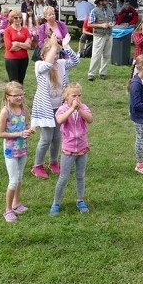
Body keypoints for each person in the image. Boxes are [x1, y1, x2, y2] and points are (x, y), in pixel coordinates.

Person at [30, 35, 79, 179]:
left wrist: (66, 46)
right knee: (46, 139)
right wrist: (52, 44)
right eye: (53, 53)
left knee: (57, 138)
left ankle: (53, 162)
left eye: (58, 53)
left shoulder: (62, 64)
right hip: (45, 108)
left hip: (59, 108)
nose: (56, 56)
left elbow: (76, 61)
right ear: (43, 54)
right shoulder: (39, 65)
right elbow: (48, 64)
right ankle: (37, 165)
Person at [50, 82, 93, 216]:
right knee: (63, 177)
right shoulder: (62, 109)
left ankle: (80, 200)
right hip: (68, 150)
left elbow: (90, 119)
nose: (77, 98)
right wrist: (71, 109)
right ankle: (56, 203)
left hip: (81, 148)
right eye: (74, 95)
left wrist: (79, 109)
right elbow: (60, 120)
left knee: (80, 176)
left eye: (79, 95)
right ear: (66, 97)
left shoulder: (83, 107)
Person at [0, 82, 35, 222]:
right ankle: (7, 210)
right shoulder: (5, 112)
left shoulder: (23, 109)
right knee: (13, 180)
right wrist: (19, 133)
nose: (19, 98)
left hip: (22, 148)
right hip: (11, 150)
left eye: (21, 94)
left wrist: (29, 130)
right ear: (7, 97)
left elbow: (25, 125)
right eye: (16, 95)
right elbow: (0, 133)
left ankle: (16, 204)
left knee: (19, 178)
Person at [87, 0, 114, 81]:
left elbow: (114, 20)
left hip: (109, 34)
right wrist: (101, 25)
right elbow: (90, 24)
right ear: (99, 2)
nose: (106, 1)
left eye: (106, 0)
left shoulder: (110, 10)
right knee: (96, 55)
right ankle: (91, 74)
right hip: (99, 35)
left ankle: (103, 73)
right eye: (104, 0)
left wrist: (112, 24)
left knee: (106, 55)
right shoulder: (94, 11)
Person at [3, 9, 32, 84]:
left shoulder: (25, 30)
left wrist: (17, 44)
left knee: (21, 80)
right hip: (11, 59)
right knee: (14, 81)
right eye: (16, 18)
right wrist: (23, 45)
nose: (18, 19)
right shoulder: (7, 30)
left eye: (20, 17)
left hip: (24, 58)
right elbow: (10, 47)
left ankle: (21, 95)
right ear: (12, 19)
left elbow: (29, 46)